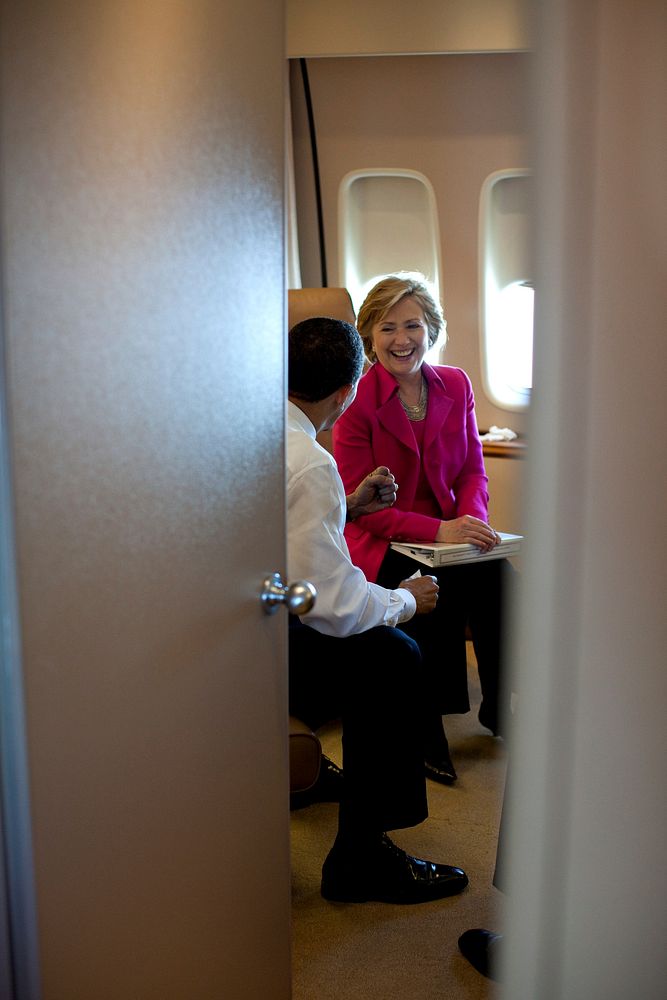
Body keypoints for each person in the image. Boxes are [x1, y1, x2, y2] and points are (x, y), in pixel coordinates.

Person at [287, 315, 468, 905]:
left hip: (226, 618)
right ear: (346, 393)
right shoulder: (311, 464)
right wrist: (405, 601)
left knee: (384, 644)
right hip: (263, 635)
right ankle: (363, 857)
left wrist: (347, 508)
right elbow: (334, 606)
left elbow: (282, 537)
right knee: (392, 655)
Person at [333, 274, 513, 785]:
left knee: (504, 584)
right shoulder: (357, 400)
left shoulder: (455, 383)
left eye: (413, 324)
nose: (402, 339)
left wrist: (472, 522)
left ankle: (499, 706)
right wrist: (441, 531)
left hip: (451, 532)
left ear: (430, 329)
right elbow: (361, 507)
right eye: (388, 327)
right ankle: (427, 726)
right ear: (369, 334)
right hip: (386, 539)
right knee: (428, 595)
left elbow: (473, 470)